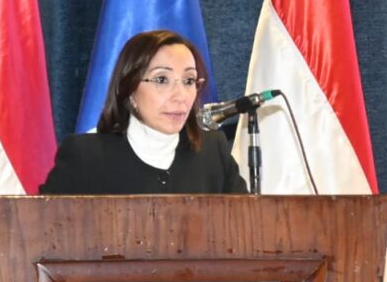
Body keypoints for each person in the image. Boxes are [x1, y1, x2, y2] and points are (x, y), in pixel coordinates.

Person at [39, 30, 247, 194]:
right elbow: (44, 229)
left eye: (189, 80)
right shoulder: (85, 156)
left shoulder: (213, 151)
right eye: (161, 80)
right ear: (130, 90)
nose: (181, 95)